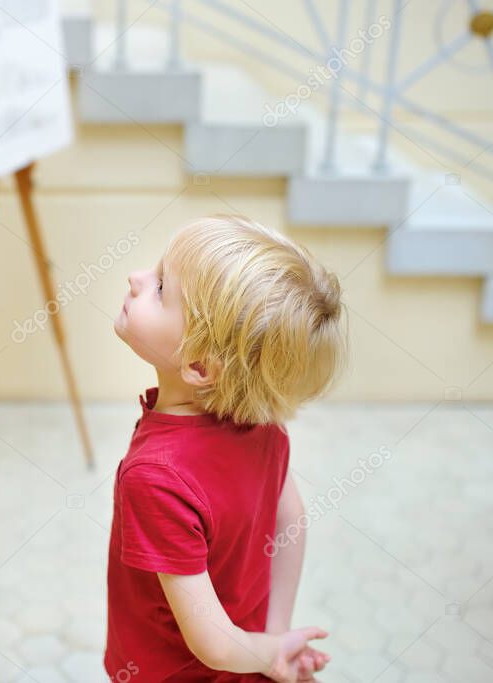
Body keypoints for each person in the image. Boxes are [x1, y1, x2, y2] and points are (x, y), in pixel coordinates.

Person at [105, 215, 348, 682]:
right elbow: (290, 518)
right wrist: (273, 642)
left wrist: (272, 651)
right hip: (251, 659)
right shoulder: (264, 426)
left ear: (199, 365)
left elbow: (214, 645)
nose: (136, 279)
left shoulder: (156, 476)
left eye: (160, 288)